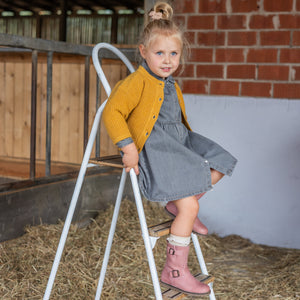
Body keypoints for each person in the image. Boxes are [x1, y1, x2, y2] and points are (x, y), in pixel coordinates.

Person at [103, 1, 237, 296]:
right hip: (158, 152)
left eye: (173, 53)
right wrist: (128, 147)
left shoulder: (170, 83)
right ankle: (175, 270)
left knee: (221, 162)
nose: (167, 60)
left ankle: (178, 206)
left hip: (179, 143)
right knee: (192, 206)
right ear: (143, 52)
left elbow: (177, 122)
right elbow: (112, 112)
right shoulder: (136, 82)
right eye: (159, 53)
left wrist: (189, 145)